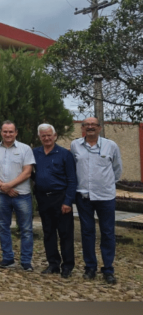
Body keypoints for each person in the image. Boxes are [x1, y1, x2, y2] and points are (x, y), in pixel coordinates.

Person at [71, 117, 123, 284]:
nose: (91, 127)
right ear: (83, 128)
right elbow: (73, 168)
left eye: (94, 125)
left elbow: (117, 169)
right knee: (87, 232)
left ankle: (108, 269)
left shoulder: (111, 146)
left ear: (100, 128)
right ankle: (90, 267)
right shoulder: (75, 146)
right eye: (87, 125)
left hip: (105, 196)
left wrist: (105, 184)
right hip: (84, 197)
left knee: (107, 233)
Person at [0, 121, 36, 271]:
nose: (8, 134)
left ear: (16, 133)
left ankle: (26, 261)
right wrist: (4, 187)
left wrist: (10, 185)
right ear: (1, 132)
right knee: (3, 227)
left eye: (11, 132)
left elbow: (27, 172)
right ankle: (7, 258)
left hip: (22, 195)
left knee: (26, 229)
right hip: (2, 195)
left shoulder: (25, 149)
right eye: (5, 131)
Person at [32, 123, 77, 278]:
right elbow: (32, 173)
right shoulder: (35, 153)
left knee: (65, 233)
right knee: (48, 233)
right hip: (44, 198)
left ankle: (67, 266)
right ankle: (53, 264)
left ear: (55, 136)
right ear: (40, 137)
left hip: (61, 198)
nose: (46, 138)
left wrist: (68, 201)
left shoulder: (64, 154)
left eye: (49, 135)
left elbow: (72, 180)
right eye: (43, 135)